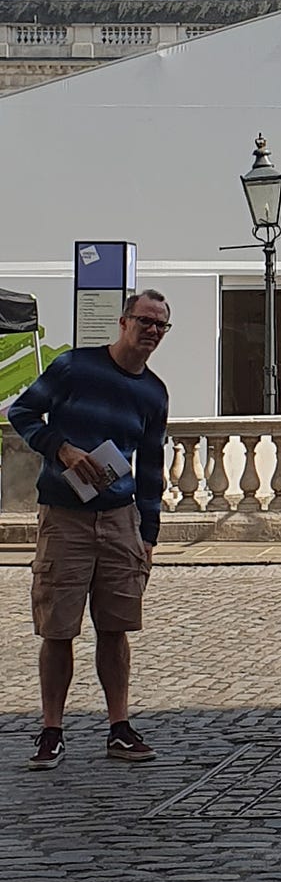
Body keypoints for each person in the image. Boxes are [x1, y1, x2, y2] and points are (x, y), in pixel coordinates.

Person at [8, 288, 171, 770]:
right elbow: (20, 413)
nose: (152, 332)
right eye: (145, 321)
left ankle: (119, 728)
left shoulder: (154, 391)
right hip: (65, 517)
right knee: (58, 628)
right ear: (123, 323)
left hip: (120, 520)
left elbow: (152, 467)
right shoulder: (75, 367)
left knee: (116, 628)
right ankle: (50, 730)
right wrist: (61, 449)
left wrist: (148, 534)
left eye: (161, 325)